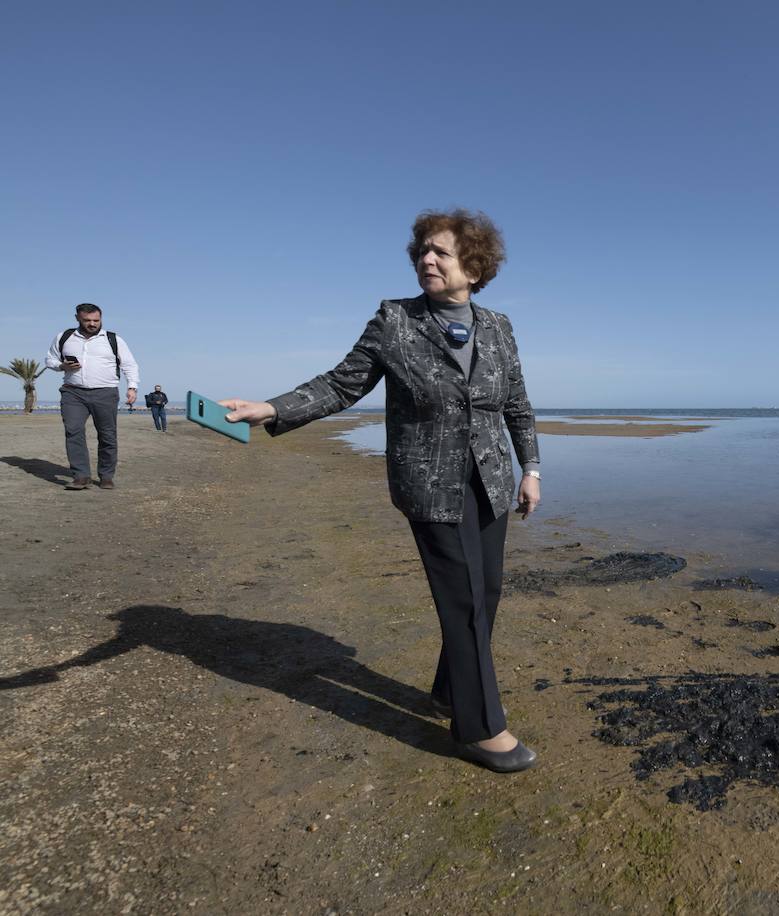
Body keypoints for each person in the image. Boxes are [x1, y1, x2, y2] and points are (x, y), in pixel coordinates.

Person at [221, 209, 542, 773]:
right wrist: (272, 408)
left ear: (475, 263)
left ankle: (450, 689)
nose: (427, 260)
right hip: (429, 483)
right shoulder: (395, 320)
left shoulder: (499, 326)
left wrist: (531, 469)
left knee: (487, 592)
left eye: (441, 252)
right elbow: (342, 383)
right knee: (463, 599)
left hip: (490, 479)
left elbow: (515, 403)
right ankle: (478, 727)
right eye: (422, 251)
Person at [46, 303, 141, 490]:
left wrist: (132, 387)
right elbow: (50, 359)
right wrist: (62, 366)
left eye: (96, 320)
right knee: (73, 431)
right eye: (87, 320)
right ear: (77, 318)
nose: (92, 324)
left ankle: (106, 476)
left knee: (107, 435)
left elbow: (129, 365)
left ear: (101, 318)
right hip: (73, 392)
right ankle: (81, 476)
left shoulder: (113, 339)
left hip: (105, 392)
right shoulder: (64, 337)